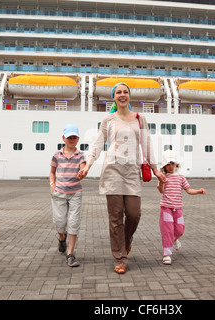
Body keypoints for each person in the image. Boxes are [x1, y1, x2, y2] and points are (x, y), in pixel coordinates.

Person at [77, 82, 165, 274]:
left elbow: (146, 144)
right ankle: (120, 256)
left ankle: (126, 241)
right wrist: (88, 164)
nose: (122, 95)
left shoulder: (140, 119)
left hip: (132, 171)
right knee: (115, 217)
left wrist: (156, 169)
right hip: (113, 170)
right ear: (114, 97)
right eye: (118, 92)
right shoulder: (108, 119)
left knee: (134, 214)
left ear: (129, 96)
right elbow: (98, 143)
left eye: (125, 92)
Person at [157, 150, 206, 265]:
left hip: (178, 208)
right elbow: (161, 191)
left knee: (180, 229)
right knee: (168, 231)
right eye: (168, 164)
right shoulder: (163, 177)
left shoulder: (181, 178)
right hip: (166, 208)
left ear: (176, 164)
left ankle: (174, 240)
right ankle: (167, 254)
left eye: (172, 163)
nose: (171, 166)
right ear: (164, 165)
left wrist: (198, 191)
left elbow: (188, 190)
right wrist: (162, 182)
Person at [50, 124, 86, 267]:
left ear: (77, 139)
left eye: (74, 137)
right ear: (63, 138)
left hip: (75, 193)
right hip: (59, 193)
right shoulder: (56, 155)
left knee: (73, 222)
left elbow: (83, 168)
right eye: (69, 137)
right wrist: (52, 185)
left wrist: (82, 173)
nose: (71, 139)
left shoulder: (81, 155)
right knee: (59, 221)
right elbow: (52, 172)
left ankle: (70, 253)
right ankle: (61, 238)